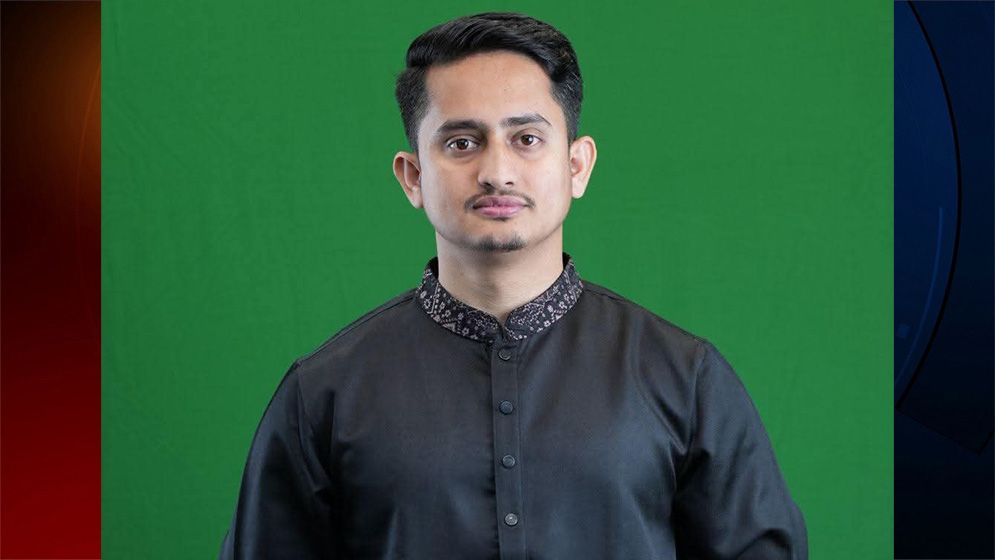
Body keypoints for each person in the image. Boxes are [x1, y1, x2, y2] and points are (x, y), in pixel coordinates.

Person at [219, 12, 808, 560]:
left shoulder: (684, 377)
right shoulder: (324, 394)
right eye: (461, 143)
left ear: (576, 166)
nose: (496, 172)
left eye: (526, 139)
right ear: (413, 175)